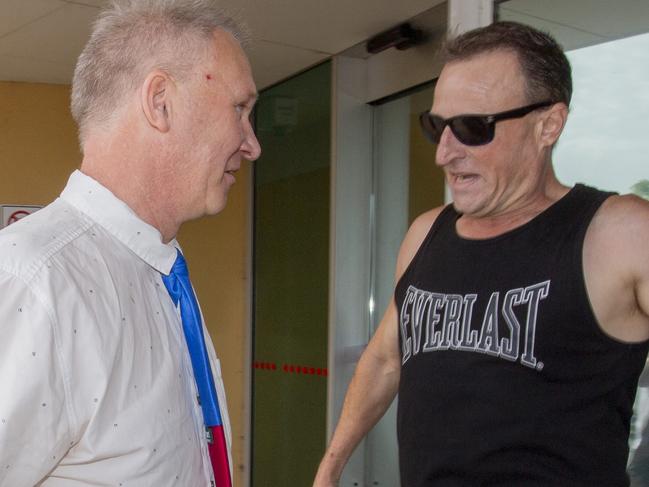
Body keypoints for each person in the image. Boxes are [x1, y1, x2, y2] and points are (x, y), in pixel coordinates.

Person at [314, 21, 649, 486]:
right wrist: (330, 467)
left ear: (548, 125)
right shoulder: (425, 234)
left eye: (473, 127)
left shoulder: (620, 234)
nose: (445, 153)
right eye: (437, 126)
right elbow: (386, 359)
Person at [0, 0, 260, 485]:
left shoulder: (161, 272)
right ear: (160, 101)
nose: (252, 143)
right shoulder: (33, 284)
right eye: (240, 109)